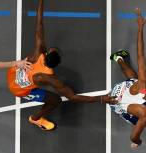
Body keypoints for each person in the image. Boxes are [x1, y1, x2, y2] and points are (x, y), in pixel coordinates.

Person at [7, 0, 116, 131]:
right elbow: (73, 97)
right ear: (57, 64)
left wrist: (41, 2)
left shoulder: (38, 53)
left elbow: (39, 25)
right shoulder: (50, 78)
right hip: (18, 89)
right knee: (56, 100)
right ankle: (35, 119)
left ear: (46, 54)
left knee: (27, 60)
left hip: (12, 72)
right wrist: (102, 98)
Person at [109, 8, 146, 148]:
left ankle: (119, 59)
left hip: (118, 92)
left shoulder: (143, 81)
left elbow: (140, 53)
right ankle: (119, 59)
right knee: (139, 121)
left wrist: (140, 28)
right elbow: (133, 137)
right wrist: (137, 143)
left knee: (134, 78)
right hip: (114, 101)